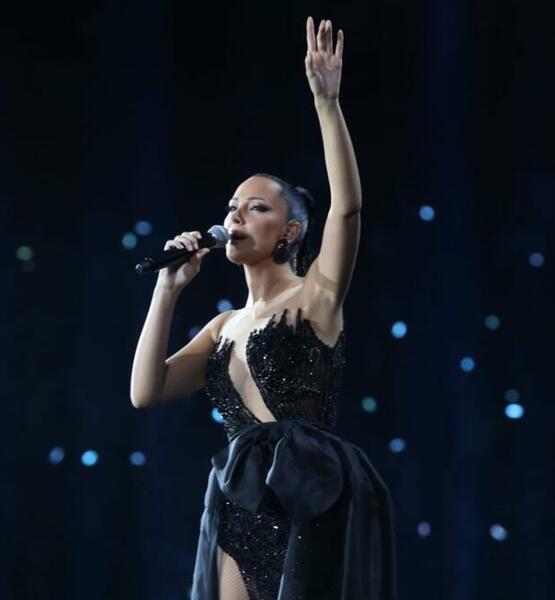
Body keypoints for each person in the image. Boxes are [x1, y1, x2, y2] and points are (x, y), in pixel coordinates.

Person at [130, 16, 397, 600]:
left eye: (256, 208)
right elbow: (145, 393)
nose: (235, 217)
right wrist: (167, 290)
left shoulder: (316, 295)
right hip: (240, 501)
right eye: (232, 207)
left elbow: (348, 210)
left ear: (290, 231)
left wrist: (327, 103)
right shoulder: (223, 327)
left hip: (310, 494)